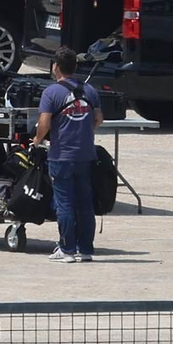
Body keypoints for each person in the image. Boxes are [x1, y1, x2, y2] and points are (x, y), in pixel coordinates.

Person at [30, 48, 104, 263]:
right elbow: (98, 118)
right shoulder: (89, 90)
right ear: (75, 67)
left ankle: (67, 249)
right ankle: (86, 249)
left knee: (64, 203)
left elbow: (43, 124)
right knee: (84, 203)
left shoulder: (51, 92)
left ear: (56, 67)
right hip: (85, 155)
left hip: (61, 156)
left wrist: (36, 140)